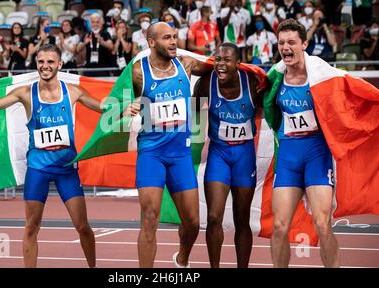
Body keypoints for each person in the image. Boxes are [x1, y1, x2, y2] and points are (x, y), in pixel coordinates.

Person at [0, 44, 100, 268]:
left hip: (66, 168)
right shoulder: (25, 93)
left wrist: (126, 105)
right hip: (38, 169)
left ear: (59, 64)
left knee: (82, 226)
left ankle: (93, 266)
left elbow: (101, 107)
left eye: (50, 62)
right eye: (41, 62)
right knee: (31, 226)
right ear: (36, 63)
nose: (45, 66)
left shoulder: (73, 91)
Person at [126, 22, 213, 268]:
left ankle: (182, 257)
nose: (174, 41)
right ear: (151, 42)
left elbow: (218, 67)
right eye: (167, 38)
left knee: (193, 222)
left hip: (180, 155)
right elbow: (115, 101)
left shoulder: (186, 64)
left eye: (175, 37)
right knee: (149, 219)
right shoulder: (137, 73)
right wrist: (125, 108)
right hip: (151, 153)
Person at [265, 19, 340, 268]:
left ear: (304, 44)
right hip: (288, 156)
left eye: (291, 42)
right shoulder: (275, 75)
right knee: (279, 225)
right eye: (281, 43)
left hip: (316, 154)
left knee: (322, 223)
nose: (285, 47)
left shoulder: (322, 73)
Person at [194, 43, 263, 268]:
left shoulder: (253, 84)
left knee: (242, 220)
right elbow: (192, 109)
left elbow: (269, 109)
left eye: (226, 60)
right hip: (219, 154)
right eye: (217, 60)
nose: (221, 65)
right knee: (214, 217)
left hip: (244, 155)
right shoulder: (206, 83)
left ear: (237, 63)